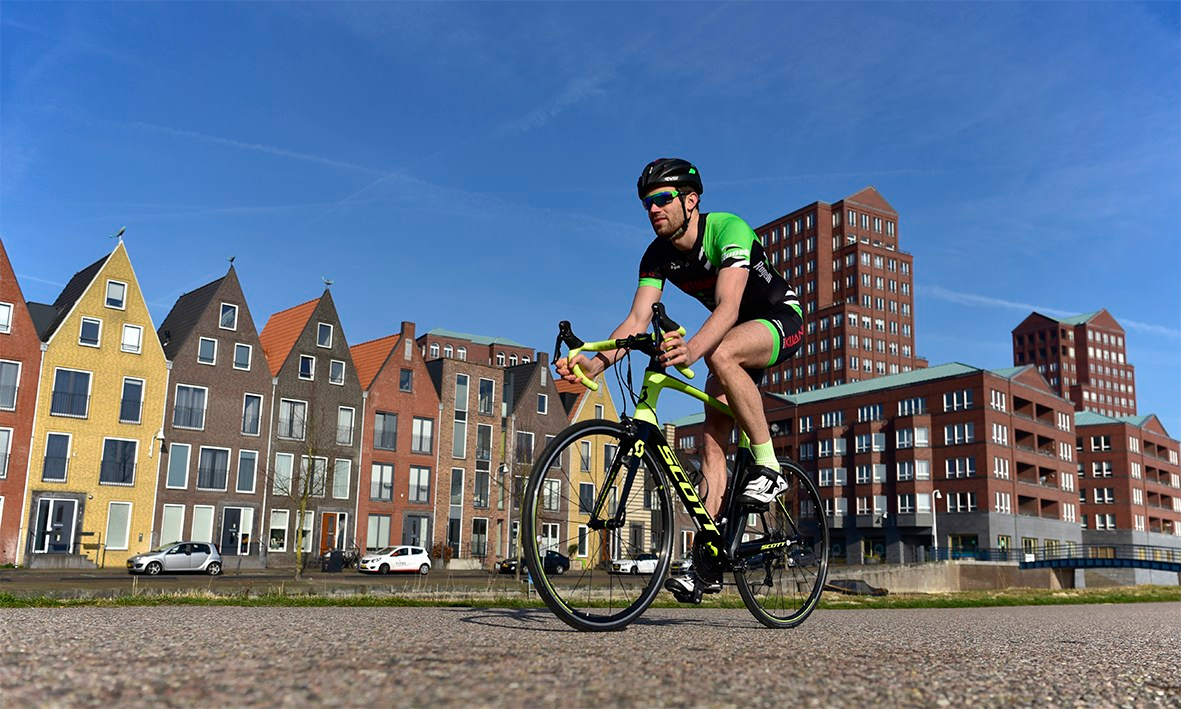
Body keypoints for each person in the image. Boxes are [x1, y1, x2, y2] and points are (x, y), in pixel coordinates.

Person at [555, 157, 804, 599]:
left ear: (691, 201)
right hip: (731, 338)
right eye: (647, 203)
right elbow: (636, 319)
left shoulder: (728, 230)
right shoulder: (657, 255)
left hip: (779, 319)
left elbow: (728, 307)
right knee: (712, 444)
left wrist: (691, 349)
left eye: (663, 199)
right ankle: (705, 564)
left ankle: (768, 465)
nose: (653, 209)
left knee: (721, 354)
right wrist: (594, 364)